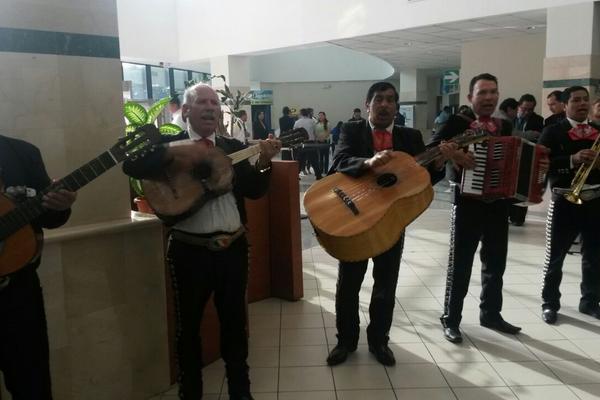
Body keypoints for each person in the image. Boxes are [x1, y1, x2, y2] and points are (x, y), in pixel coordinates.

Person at [123, 84, 280, 400]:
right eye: (202, 102)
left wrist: (264, 162)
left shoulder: (232, 145)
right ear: (186, 110)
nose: (210, 107)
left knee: (235, 325)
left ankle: (241, 392)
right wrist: (181, 153)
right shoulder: (170, 143)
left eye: (214, 102)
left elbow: (254, 190)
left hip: (233, 248)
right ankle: (190, 393)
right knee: (188, 329)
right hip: (188, 251)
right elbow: (132, 165)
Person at [326, 82, 457, 366]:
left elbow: (423, 181)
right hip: (355, 218)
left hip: (391, 222)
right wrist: (370, 161)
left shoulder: (410, 137)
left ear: (396, 107)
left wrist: (437, 165)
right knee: (348, 284)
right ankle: (345, 342)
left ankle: (379, 342)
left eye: (390, 100)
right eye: (379, 99)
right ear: (368, 103)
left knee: (385, 285)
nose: (384, 104)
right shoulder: (352, 130)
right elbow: (339, 161)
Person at [431, 73, 547, 343]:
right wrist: (454, 154)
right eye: (482, 93)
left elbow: (516, 158)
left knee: (495, 263)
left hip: (498, 205)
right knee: (460, 264)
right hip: (467, 204)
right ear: (470, 97)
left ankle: (491, 314)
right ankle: (451, 318)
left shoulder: (503, 126)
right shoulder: (456, 123)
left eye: (493, 92)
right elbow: (430, 149)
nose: (488, 97)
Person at [0, 135, 77, 399]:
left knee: (33, 385)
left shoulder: (22, 152)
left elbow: (49, 217)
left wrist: (61, 206)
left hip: (18, 296)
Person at [538, 86, 600, 324]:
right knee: (555, 257)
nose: (582, 104)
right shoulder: (552, 131)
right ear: (565, 105)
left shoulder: (597, 131)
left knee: (594, 255)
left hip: (595, 201)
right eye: (576, 100)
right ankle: (549, 303)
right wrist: (572, 160)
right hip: (564, 200)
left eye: (585, 100)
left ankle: (590, 301)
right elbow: (542, 164)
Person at [509, 94, 545, 226]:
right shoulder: (509, 118)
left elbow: (538, 138)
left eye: (530, 109)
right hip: (510, 156)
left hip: (526, 158)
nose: (527, 112)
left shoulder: (538, 120)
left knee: (523, 187)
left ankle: (518, 218)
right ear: (519, 106)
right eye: (524, 108)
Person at [293, 108, 321, 179]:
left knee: (299, 160)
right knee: (314, 160)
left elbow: (294, 133)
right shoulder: (312, 121)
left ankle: (295, 175)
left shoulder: (297, 122)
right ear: (308, 114)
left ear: (301, 114)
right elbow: (316, 132)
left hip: (301, 143)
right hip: (311, 143)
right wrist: (315, 139)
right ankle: (318, 175)